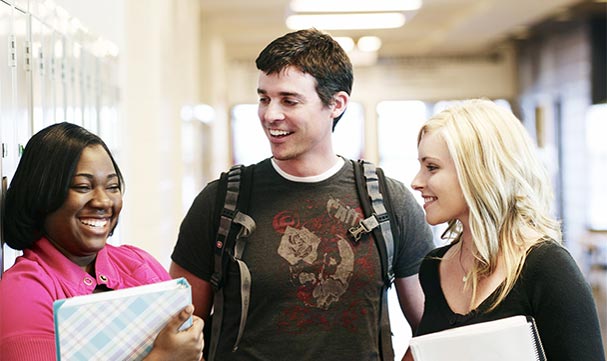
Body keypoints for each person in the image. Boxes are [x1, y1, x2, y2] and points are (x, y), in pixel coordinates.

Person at [169, 28, 435, 361]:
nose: (270, 115)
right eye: (264, 98)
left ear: (336, 104)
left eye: (289, 100)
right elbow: (178, 335)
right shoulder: (221, 201)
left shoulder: (388, 201)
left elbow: (431, 329)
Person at [409, 99, 605, 360]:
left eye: (431, 167)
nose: (416, 182)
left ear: (478, 172)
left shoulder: (547, 268)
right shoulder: (433, 268)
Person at [0, 122, 204, 361]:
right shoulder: (24, 291)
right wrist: (162, 358)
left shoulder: (138, 263)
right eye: (83, 187)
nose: (103, 202)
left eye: (112, 186)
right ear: (42, 193)